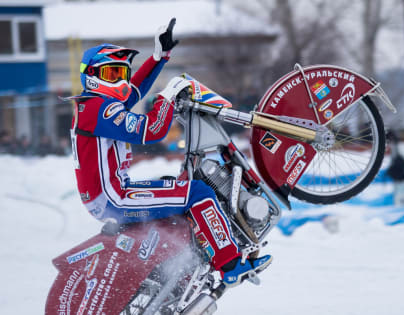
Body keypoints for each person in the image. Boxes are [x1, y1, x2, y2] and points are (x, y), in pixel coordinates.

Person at [70, 18, 271, 288]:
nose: (119, 81)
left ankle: (180, 269)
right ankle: (230, 264)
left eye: (122, 73)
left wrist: (158, 57)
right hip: (113, 198)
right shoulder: (98, 108)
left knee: (176, 186)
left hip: (109, 195)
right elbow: (152, 129)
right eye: (111, 75)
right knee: (198, 192)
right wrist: (166, 97)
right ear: (91, 76)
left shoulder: (97, 105)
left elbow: (135, 91)